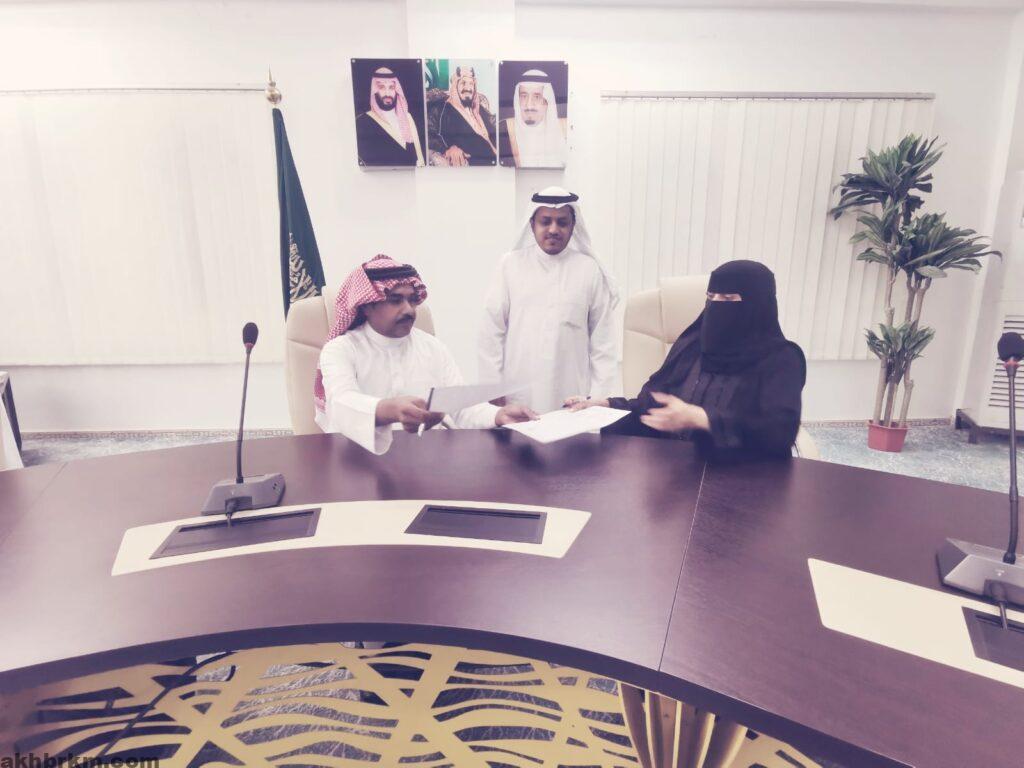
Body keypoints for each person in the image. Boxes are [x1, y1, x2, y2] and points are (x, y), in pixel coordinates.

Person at [566, 260, 805, 461]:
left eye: (728, 298)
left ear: (758, 305)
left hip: (746, 482)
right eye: (711, 297)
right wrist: (605, 406)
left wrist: (702, 419)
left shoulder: (781, 359)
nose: (716, 305)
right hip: (676, 474)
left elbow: (778, 431)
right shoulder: (693, 345)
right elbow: (652, 407)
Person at [315, 255, 535, 454]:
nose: (409, 310)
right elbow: (341, 404)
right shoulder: (341, 349)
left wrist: (498, 415)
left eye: (412, 300)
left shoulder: (432, 347)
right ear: (366, 307)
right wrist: (391, 410)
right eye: (395, 300)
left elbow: (459, 408)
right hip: (359, 461)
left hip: (428, 459)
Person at [479, 187, 619, 414]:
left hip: (573, 397)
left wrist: (599, 400)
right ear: (532, 224)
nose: (553, 229)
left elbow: (603, 344)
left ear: (573, 226)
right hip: (519, 393)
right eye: (545, 221)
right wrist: (492, 388)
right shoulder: (510, 265)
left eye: (562, 223)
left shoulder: (589, 269)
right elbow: (491, 332)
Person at [355, 67, 424, 167]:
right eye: (382, 87)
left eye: (391, 87)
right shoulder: (363, 122)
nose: (387, 93)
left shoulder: (407, 117)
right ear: (375, 90)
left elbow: (419, 158)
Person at [499, 69, 567, 168]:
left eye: (537, 97)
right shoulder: (504, 129)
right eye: (524, 96)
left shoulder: (564, 129)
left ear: (547, 101)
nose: (529, 105)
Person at [432, 66, 497, 166]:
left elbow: (494, 125)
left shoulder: (478, 108)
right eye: (463, 83)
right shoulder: (445, 110)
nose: (468, 88)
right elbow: (430, 134)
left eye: (471, 83)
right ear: (455, 86)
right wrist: (449, 148)